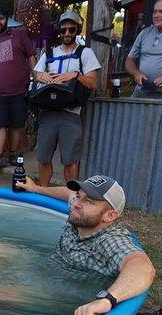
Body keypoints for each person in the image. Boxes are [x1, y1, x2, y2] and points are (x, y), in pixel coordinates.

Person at [0, 175, 155, 315]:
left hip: (61, 291)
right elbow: (68, 193)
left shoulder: (110, 240)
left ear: (109, 216)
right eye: (79, 196)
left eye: (88, 201)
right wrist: (36, 188)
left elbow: (143, 268)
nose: (77, 204)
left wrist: (107, 299)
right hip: (47, 267)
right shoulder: (81, 213)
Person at [33, 11, 100, 187]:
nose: (67, 34)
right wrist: (42, 76)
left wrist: (75, 75)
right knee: (43, 157)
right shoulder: (49, 52)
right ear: (59, 32)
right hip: (47, 111)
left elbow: (93, 83)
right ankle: (43, 192)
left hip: (70, 113)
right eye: (64, 30)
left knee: (70, 160)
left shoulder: (85, 53)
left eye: (71, 29)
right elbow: (36, 73)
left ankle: (72, 195)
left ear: (77, 30)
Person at [0, 7, 36, 174]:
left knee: (17, 125)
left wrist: (37, 76)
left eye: (1, 18)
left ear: (7, 20)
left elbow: (31, 56)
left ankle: (13, 154)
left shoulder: (19, 36)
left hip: (20, 90)